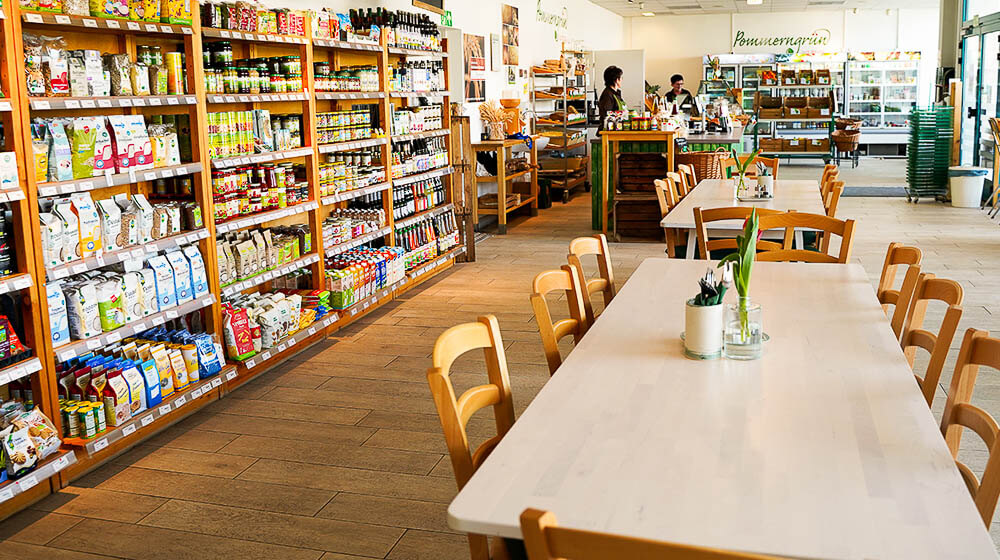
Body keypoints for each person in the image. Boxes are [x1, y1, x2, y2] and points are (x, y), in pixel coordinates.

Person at [598, 65, 626, 130]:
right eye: (621, 78)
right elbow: (607, 114)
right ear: (617, 80)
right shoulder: (607, 94)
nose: (622, 80)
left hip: (616, 128)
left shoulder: (616, 93)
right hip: (608, 130)